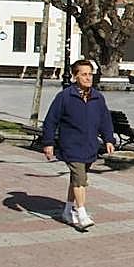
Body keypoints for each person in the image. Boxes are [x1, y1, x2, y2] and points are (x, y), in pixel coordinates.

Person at [42, 60, 115, 229]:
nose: (88, 78)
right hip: (71, 145)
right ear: (75, 77)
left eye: (90, 74)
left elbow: (105, 120)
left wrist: (109, 139)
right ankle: (81, 213)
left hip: (90, 145)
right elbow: (51, 121)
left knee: (76, 179)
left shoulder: (97, 97)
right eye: (84, 74)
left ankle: (67, 210)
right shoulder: (65, 96)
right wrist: (48, 143)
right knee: (80, 180)